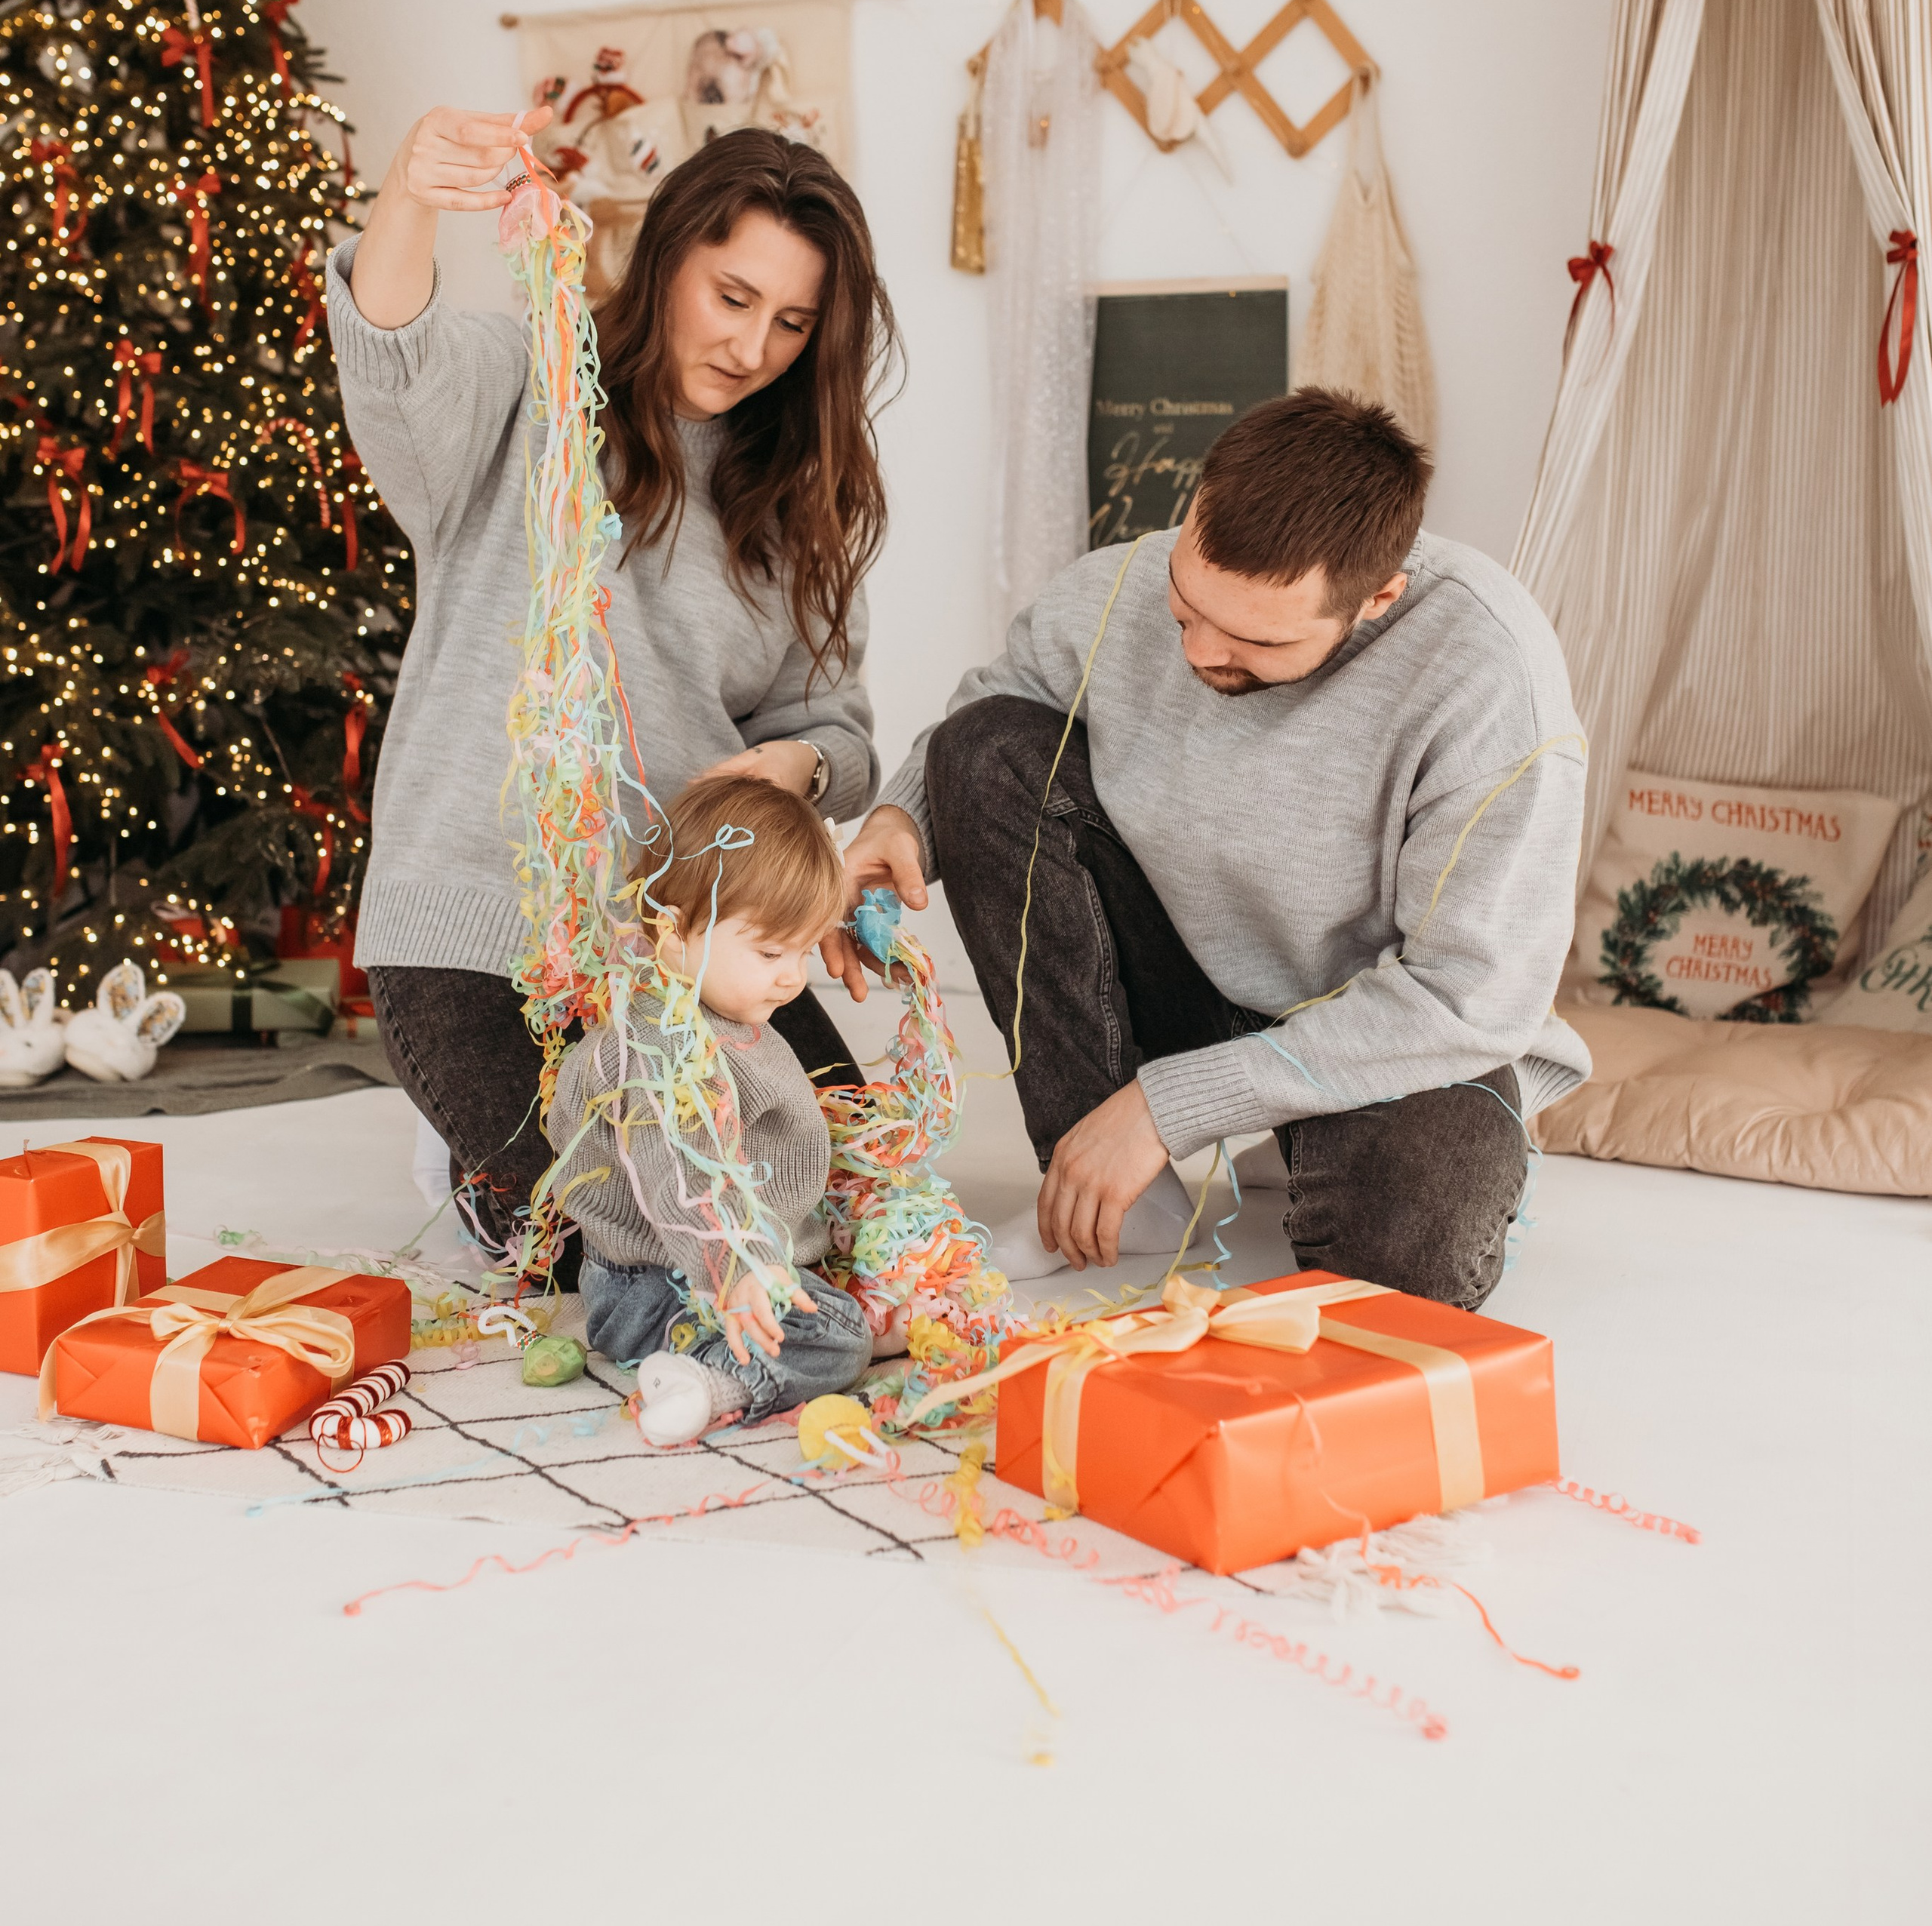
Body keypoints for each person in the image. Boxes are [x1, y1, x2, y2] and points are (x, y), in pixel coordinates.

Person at [829, 389, 1589, 1312]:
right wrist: (898, 821)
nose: (1197, 650)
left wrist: (1171, 1106)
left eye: (1253, 639)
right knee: (982, 750)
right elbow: (1001, 702)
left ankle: (1289, 1142)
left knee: (1404, 1269)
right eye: (1187, 604)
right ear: (1193, 512)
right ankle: (1117, 1195)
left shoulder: (1489, 676)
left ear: (1377, 599)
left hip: (1383, 1031)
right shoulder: (1129, 580)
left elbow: (1466, 995)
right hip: (1192, 979)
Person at [330, 113, 899, 1269]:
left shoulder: (796, 502)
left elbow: (834, 729)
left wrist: (792, 768)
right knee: (633, 1255)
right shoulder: (524, 385)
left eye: (792, 323)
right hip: (479, 926)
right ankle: (476, 1169)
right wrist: (407, 197)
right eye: (731, 297)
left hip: (690, 934)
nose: (754, 348)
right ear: (669, 255)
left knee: (849, 1220)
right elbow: (392, 352)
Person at [545, 774, 872, 1445]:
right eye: (771, 951)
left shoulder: (724, 1013)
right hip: (658, 1284)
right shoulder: (661, 1049)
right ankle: (712, 1380)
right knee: (841, 1340)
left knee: (844, 1300)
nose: (794, 976)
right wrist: (737, 1268)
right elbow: (681, 1176)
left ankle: (766, 1325)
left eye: (805, 950)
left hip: (713, 1263)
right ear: (672, 936)